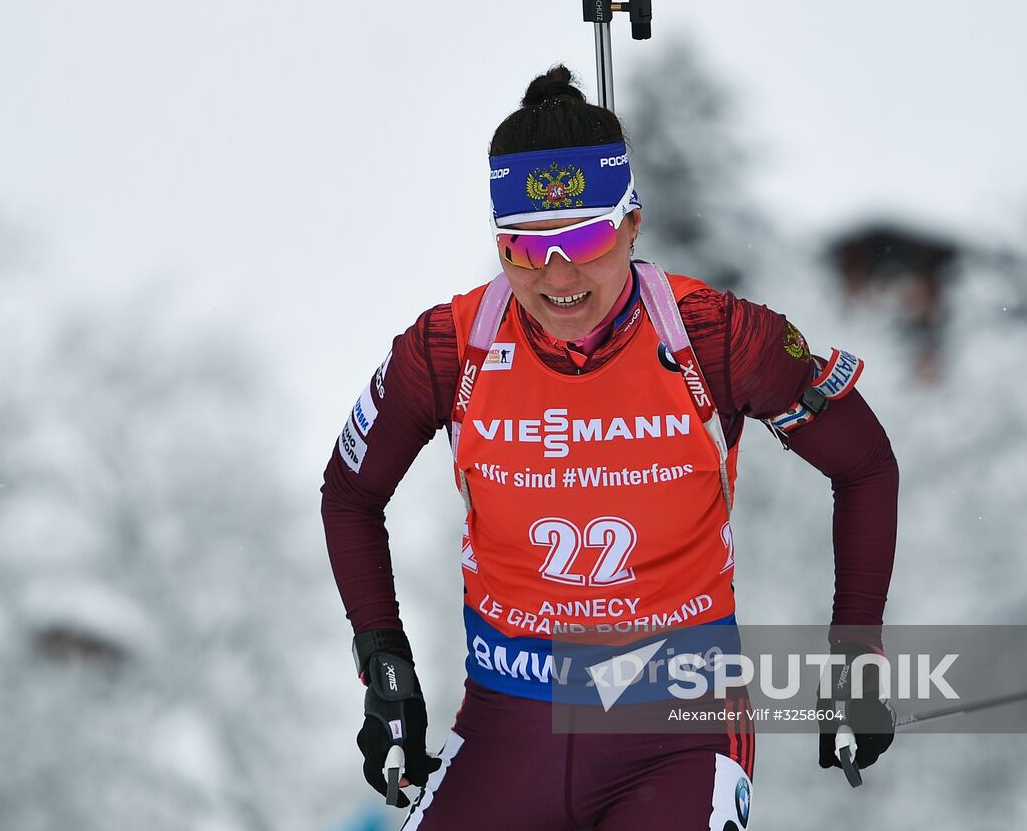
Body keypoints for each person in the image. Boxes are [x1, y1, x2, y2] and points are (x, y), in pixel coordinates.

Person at [322, 66, 899, 830]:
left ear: (632, 223)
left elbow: (864, 465)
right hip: (505, 725)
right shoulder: (450, 348)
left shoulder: (714, 338)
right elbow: (349, 493)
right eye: (525, 249)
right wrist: (383, 660)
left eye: (586, 237)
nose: (558, 274)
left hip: (677, 732)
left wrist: (856, 653)